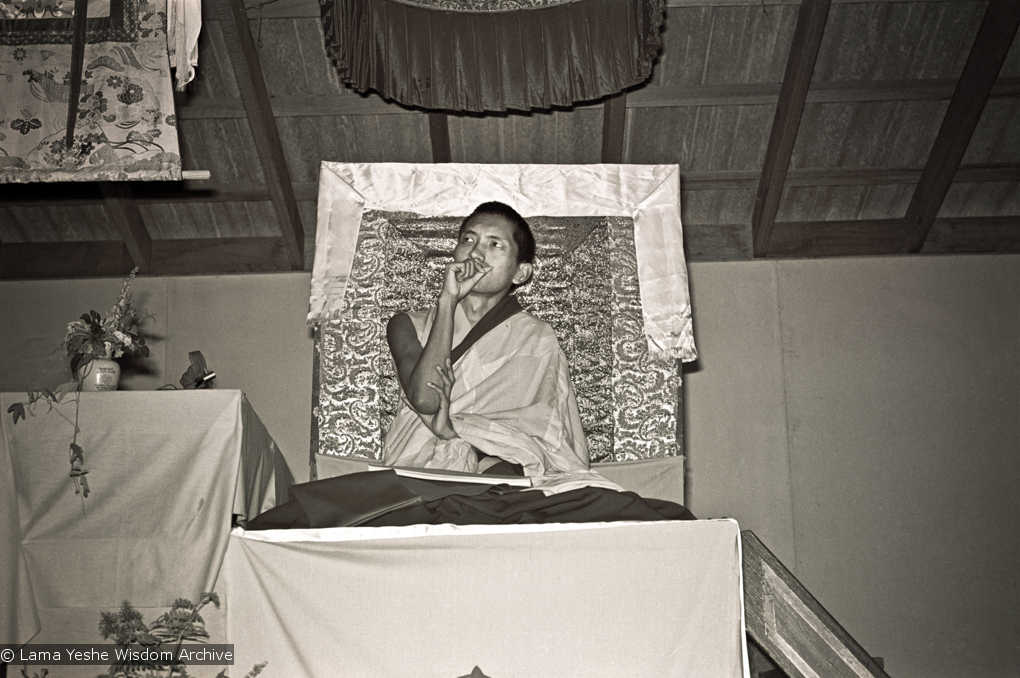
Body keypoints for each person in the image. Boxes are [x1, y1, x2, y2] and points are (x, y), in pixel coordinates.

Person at [383, 201, 590, 478]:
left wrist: (456, 434)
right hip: (422, 465)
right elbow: (426, 400)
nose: (477, 251)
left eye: (495, 244)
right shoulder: (407, 324)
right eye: (469, 239)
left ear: (521, 272)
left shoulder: (536, 337)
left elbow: (546, 435)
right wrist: (448, 301)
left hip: (511, 470)